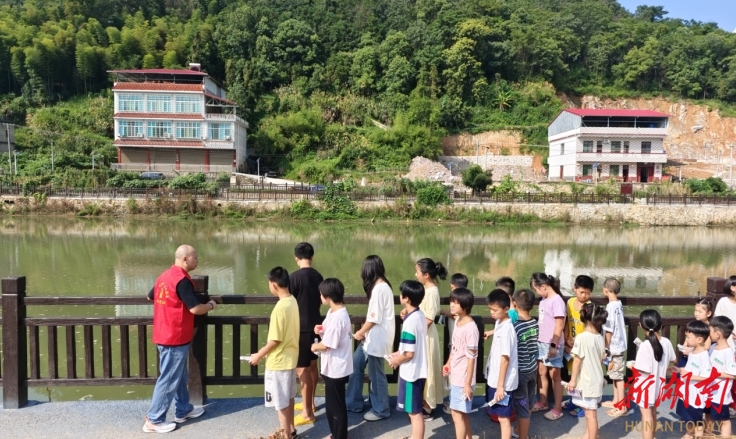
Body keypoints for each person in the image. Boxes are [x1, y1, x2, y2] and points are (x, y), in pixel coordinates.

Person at [143, 245, 217, 434]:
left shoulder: (164, 276)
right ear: (185, 259)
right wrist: (210, 305)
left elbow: (150, 296)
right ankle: (154, 419)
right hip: (174, 336)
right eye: (195, 257)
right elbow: (195, 309)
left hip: (164, 333)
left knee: (179, 375)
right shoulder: (182, 281)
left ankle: (184, 410)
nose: (197, 260)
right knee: (168, 379)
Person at [249, 267, 300, 439]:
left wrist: (258, 355)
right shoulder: (292, 301)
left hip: (279, 361)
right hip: (291, 358)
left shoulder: (280, 308)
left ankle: (285, 435)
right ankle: (291, 430)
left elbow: (275, 340)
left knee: (280, 402)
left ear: (274, 285)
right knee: (289, 396)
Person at [346, 255, 394, 421]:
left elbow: (374, 318)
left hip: (377, 338)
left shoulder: (380, 289)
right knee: (356, 364)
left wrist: (360, 332)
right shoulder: (381, 287)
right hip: (372, 337)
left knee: (376, 374)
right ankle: (353, 403)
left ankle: (381, 409)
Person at [310, 278, 353, 439]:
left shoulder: (338, 318)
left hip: (336, 368)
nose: (320, 296)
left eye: (321, 294)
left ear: (328, 296)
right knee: (334, 404)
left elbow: (327, 345)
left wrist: (314, 346)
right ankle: (337, 434)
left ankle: (339, 436)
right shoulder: (335, 312)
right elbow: (329, 332)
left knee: (336, 407)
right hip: (336, 365)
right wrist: (320, 329)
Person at [624, 310, 675, 439]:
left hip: (645, 388)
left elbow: (643, 370)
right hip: (659, 386)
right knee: (653, 413)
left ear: (641, 325)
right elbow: (673, 359)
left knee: (646, 417)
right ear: (660, 324)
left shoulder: (645, 345)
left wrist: (632, 365)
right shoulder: (667, 342)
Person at [388, 280, 428, 439]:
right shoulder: (419, 315)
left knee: (414, 412)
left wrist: (396, 361)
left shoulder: (409, 322)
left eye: (401, 294)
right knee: (414, 409)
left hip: (412, 373)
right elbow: (411, 347)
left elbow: (409, 353)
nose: (400, 296)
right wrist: (399, 353)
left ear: (406, 299)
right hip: (419, 369)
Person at [289, 242, 324, 426]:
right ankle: (310, 403)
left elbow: (288, 303)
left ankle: (307, 412)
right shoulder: (318, 276)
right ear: (312, 256)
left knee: (301, 369)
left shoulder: (294, 278)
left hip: (300, 328)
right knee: (312, 366)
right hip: (316, 326)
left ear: (296, 258)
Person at [566, 303, 608, 439]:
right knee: (589, 411)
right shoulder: (600, 337)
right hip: (597, 379)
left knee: (591, 415)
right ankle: (587, 434)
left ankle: (592, 436)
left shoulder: (582, 337)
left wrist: (572, 381)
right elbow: (601, 359)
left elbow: (577, 361)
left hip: (587, 381)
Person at [443, 287, 479, 439]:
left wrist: (467, 384)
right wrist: (448, 363)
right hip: (456, 375)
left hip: (463, 379)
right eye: (451, 301)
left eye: (455, 302)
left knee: (457, 415)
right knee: (462, 414)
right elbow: (454, 347)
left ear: (465, 305)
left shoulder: (471, 329)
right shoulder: (458, 320)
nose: (451, 305)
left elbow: (472, 358)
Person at [413, 258, 447, 420]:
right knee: (422, 368)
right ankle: (423, 401)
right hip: (422, 333)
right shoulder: (425, 289)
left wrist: (415, 331)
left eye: (417, 272)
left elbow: (429, 318)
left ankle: (428, 406)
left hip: (426, 335)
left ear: (426, 275)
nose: (416, 275)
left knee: (428, 369)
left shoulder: (432, 291)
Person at [529, 272, 566, 421]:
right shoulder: (544, 299)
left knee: (555, 376)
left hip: (552, 343)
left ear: (543, 286)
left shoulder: (557, 301)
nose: (536, 292)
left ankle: (557, 408)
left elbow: (559, 325)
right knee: (541, 372)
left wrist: (553, 345)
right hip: (541, 342)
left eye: (536, 289)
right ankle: (543, 401)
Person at [484, 289, 518, 439]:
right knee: (500, 415)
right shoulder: (499, 322)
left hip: (503, 382)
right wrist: (491, 332)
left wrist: (500, 386)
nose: (492, 312)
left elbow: (505, 359)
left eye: (495, 310)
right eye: (490, 309)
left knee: (504, 418)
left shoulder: (507, 330)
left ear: (506, 309)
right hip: (497, 378)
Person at [672, 320, 712, 439]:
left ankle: (697, 435)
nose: (686, 340)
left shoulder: (704, 356)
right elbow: (690, 369)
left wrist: (689, 376)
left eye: (688, 337)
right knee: (687, 416)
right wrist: (680, 370)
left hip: (696, 395)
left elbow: (706, 377)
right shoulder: (693, 352)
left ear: (699, 339)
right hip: (687, 392)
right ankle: (689, 433)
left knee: (696, 418)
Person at [511, 289, 539, 439]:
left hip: (520, 372)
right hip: (532, 369)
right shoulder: (534, 323)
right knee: (528, 404)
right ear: (532, 306)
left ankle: (523, 435)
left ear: (515, 304)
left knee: (522, 407)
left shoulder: (515, 326)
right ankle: (519, 430)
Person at [601, 278, 629, 417]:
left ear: (606, 290)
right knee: (614, 374)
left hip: (614, 346)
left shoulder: (610, 307)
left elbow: (609, 330)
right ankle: (616, 401)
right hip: (619, 345)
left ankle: (622, 406)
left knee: (618, 377)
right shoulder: (618, 304)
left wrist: (606, 349)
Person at [441, 272, 469, 415]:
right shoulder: (466, 299)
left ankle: (454, 404)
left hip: (456, 345)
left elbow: (455, 315)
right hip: (458, 345)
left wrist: (443, 311)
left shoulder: (459, 301)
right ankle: (456, 401)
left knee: (455, 372)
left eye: (452, 288)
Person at [564, 275, 593, 411]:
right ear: (574, 289)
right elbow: (566, 322)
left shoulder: (589, 307)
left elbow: (591, 328)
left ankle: (582, 405)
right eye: (582, 292)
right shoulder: (570, 302)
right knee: (573, 374)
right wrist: (566, 338)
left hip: (584, 347)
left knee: (582, 377)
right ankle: (574, 400)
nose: (584, 295)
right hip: (571, 345)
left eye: (587, 293)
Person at [706, 316, 736, 437]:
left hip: (720, 394)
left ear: (717, 334)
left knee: (724, 420)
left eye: (710, 330)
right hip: (708, 390)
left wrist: (715, 374)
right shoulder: (712, 347)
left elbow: (733, 374)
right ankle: (708, 435)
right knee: (708, 415)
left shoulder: (729, 353)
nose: (708, 333)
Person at [714, 276, 736, 416]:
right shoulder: (723, 302)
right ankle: (728, 405)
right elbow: (718, 321)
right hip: (728, 343)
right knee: (728, 374)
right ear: (732, 287)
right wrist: (729, 333)